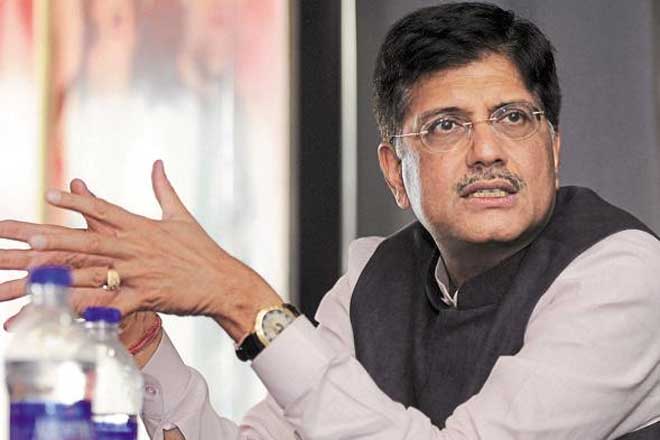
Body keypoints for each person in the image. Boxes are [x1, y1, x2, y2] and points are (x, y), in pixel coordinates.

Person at [1, 2, 660, 439]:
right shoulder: (376, 279)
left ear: (553, 148)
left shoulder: (622, 275)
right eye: (446, 125)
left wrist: (239, 298)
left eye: (513, 117)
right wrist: (145, 345)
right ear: (394, 171)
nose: (488, 149)